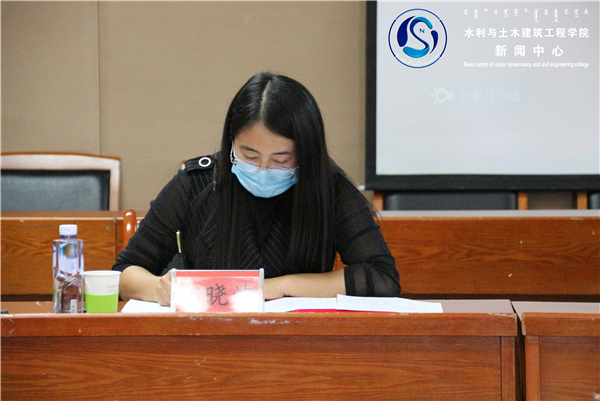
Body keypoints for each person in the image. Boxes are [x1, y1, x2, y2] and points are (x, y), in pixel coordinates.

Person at [113, 72, 401, 305]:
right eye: (249, 156)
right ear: (231, 142)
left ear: (306, 153)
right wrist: (158, 288)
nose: (263, 169)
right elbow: (124, 272)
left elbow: (382, 276)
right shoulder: (197, 182)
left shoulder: (328, 189)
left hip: (296, 341)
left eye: (281, 160)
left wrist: (281, 286)